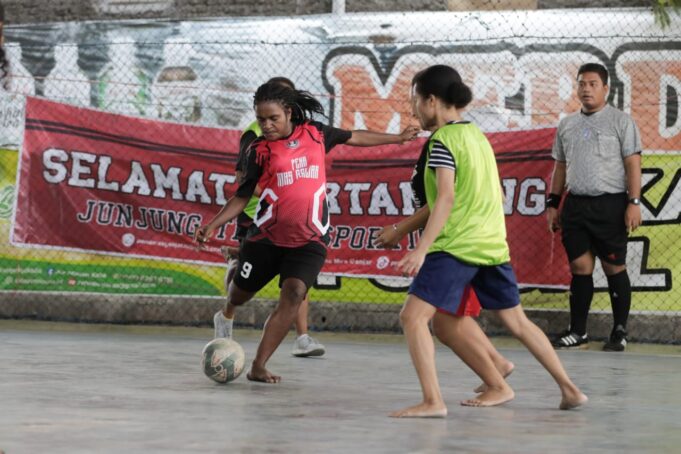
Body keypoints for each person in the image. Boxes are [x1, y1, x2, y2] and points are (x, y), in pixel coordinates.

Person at [389, 65, 586, 418]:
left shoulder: (441, 141)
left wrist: (421, 248)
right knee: (517, 323)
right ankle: (570, 390)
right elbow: (493, 191)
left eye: (416, 101)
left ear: (432, 100)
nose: (415, 109)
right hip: (492, 246)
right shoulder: (478, 136)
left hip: (455, 246)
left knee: (413, 317)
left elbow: (444, 199)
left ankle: (433, 401)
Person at [195, 81, 419, 383]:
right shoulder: (258, 150)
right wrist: (213, 225)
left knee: (295, 293)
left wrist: (397, 138)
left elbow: (355, 137)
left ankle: (259, 365)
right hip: (266, 238)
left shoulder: (315, 134)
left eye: (273, 118)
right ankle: (228, 306)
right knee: (240, 294)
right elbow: (242, 196)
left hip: (309, 239)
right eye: (261, 119)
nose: (267, 125)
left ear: (288, 112)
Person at [219, 76, 326, 358]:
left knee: (297, 283)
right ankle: (227, 312)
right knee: (242, 290)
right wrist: (276, 190)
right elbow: (243, 181)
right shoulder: (254, 135)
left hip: (294, 223)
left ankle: (302, 336)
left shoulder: (306, 133)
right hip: (257, 216)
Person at [547, 63, 642, 352]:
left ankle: (620, 331)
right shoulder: (567, 124)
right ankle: (578, 332)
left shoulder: (621, 122)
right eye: (581, 84)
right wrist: (553, 202)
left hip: (610, 204)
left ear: (605, 88)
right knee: (580, 267)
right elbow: (560, 166)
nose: (586, 89)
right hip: (576, 205)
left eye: (592, 84)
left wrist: (633, 202)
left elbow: (633, 164)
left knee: (614, 267)